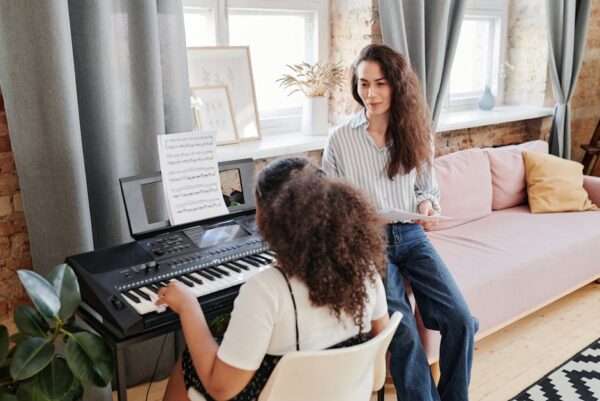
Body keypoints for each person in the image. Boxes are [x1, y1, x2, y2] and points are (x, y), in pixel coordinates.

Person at [158, 157, 390, 401]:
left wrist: (187, 306)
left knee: (189, 362)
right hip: (342, 393)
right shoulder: (364, 270)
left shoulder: (266, 290)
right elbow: (379, 340)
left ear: (265, 218)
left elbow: (221, 388)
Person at [322, 43, 478, 401]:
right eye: (363, 84)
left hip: (411, 236)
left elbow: (427, 190)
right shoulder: (340, 139)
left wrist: (426, 207)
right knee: (402, 330)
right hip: (369, 243)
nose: (371, 93)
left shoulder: (416, 132)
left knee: (461, 319)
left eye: (380, 83)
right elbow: (331, 205)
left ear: (396, 85)